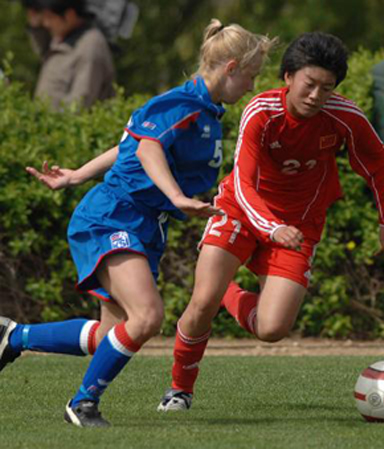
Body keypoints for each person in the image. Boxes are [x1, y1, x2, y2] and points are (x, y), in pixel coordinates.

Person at [0, 19, 275, 427]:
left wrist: (76, 175)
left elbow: (128, 143)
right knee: (147, 317)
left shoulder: (206, 111)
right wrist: (178, 197)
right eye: (251, 76)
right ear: (231, 67)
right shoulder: (181, 103)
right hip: (113, 215)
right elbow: (147, 148)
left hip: (143, 224)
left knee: (109, 336)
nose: (251, 86)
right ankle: (82, 404)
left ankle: (14, 337)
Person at [157, 31, 384, 412]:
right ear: (287, 76)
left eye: (327, 88)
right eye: (309, 84)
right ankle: (179, 391)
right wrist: (270, 226)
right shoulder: (261, 111)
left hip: (298, 226)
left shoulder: (344, 116)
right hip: (241, 211)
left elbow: (378, 162)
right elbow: (243, 182)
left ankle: (228, 293)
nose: (316, 96)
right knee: (200, 301)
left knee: (272, 329)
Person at [22, 0, 115, 110]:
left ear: (70, 15)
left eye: (50, 17)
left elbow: (79, 106)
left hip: (63, 126)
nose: (46, 23)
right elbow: (42, 48)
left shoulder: (91, 45)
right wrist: (34, 24)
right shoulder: (63, 38)